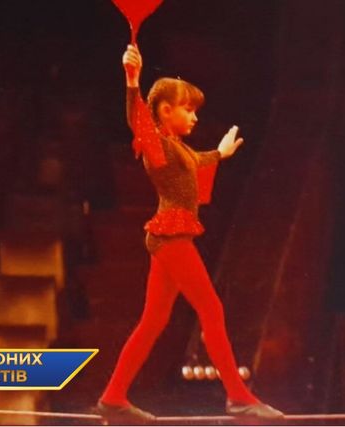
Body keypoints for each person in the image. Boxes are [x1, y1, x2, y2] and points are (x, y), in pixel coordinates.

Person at [94, 44, 285, 424]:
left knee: (153, 321)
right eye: (188, 109)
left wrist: (220, 154)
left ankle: (113, 396)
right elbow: (137, 120)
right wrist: (132, 80)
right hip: (171, 236)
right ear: (165, 110)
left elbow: (197, 162)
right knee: (211, 309)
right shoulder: (156, 145)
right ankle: (238, 395)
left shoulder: (176, 148)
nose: (195, 116)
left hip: (169, 237)